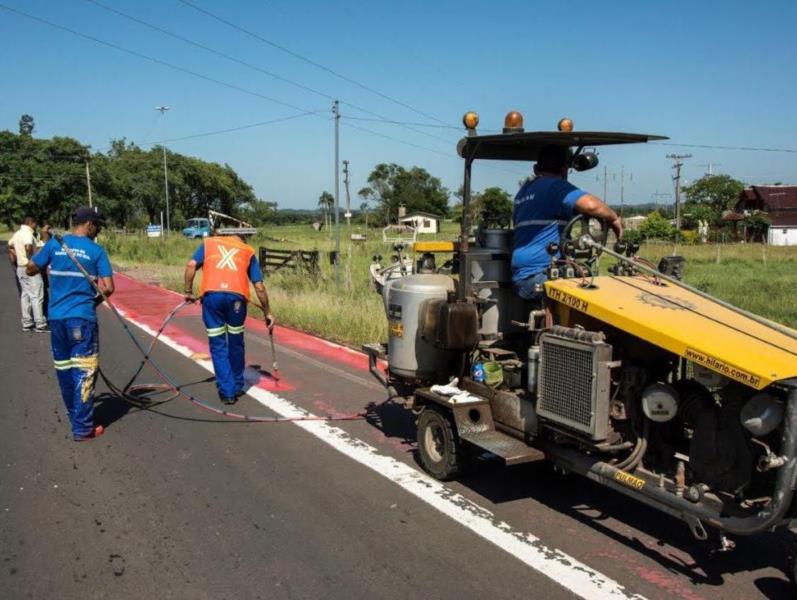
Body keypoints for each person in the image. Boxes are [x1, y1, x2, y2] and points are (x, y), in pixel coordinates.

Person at [27, 206, 113, 442]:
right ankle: (83, 429)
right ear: (89, 225)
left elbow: (31, 268)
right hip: (82, 319)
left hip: (56, 320)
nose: (99, 229)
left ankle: (74, 416)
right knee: (84, 371)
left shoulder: (55, 245)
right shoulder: (96, 251)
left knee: (64, 370)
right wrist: (91, 303)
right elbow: (108, 288)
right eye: (98, 225)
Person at [511, 146, 623, 300]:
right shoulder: (556, 186)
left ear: (536, 169)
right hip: (541, 273)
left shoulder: (523, 193)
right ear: (564, 170)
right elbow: (591, 205)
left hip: (522, 275)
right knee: (598, 298)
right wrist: (614, 218)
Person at [183, 232, 274, 405]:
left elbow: (191, 264)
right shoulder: (247, 251)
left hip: (212, 298)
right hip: (237, 301)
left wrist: (188, 292)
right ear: (242, 239)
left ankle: (227, 392)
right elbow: (260, 287)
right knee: (236, 341)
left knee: (218, 345)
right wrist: (267, 312)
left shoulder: (209, 243)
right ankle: (238, 385)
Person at [9, 216, 48, 331]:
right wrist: (33, 260)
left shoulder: (17, 234)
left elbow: (10, 245)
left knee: (25, 295)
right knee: (37, 295)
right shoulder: (27, 233)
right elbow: (28, 246)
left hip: (20, 267)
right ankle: (40, 323)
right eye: (35, 224)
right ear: (31, 223)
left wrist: (17, 257)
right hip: (29, 267)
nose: (36, 226)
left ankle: (27, 322)